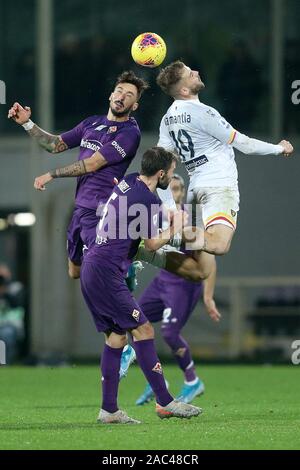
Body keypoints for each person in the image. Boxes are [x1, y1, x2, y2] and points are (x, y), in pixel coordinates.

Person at [80, 147, 201, 423]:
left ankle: (109, 410)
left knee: (116, 337)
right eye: (170, 175)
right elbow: (152, 243)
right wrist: (176, 226)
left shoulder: (130, 180)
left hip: (93, 266)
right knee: (143, 328)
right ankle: (166, 401)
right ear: (160, 174)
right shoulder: (148, 200)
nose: (170, 180)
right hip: (106, 272)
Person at [154, 60, 294, 279]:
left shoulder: (167, 120)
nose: (197, 72)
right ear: (183, 89)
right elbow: (244, 144)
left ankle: (150, 250)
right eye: (190, 74)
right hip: (218, 186)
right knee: (219, 245)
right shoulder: (204, 113)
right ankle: (156, 238)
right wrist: (278, 148)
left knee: (201, 270)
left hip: (195, 191)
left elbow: (160, 168)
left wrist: (170, 207)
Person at [8, 71, 149, 279]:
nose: (121, 97)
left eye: (129, 95)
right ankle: (125, 259)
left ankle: (125, 267)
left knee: (100, 269)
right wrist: (27, 123)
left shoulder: (129, 133)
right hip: (81, 207)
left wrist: (52, 174)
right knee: (74, 271)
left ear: (134, 106)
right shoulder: (91, 123)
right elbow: (55, 145)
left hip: (101, 209)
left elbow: (93, 164)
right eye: (119, 91)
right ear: (111, 95)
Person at [120, 175, 221, 405]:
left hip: (184, 284)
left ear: (183, 192)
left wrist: (208, 297)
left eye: (176, 189)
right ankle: (158, 382)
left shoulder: (190, 219)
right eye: (169, 189)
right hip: (163, 280)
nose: (172, 193)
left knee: (169, 333)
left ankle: (192, 380)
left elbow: (209, 262)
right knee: (132, 319)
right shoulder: (158, 215)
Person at [0, 264, 25, 364]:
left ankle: (6, 364)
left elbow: (18, 307)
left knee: (7, 334)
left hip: (10, 325)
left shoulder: (16, 288)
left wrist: (5, 293)